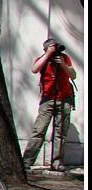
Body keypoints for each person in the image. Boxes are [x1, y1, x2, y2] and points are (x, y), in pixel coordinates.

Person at [22, 38, 77, 171]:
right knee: (39, 130)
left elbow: (73, 75)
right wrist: (47, 55)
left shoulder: (64, 58)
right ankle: (27, 161)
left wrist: (63, 64)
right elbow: (34, 69)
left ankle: (57, 162)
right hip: (48, 99)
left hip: (64, 98)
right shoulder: (43, 59)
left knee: (61, 132)